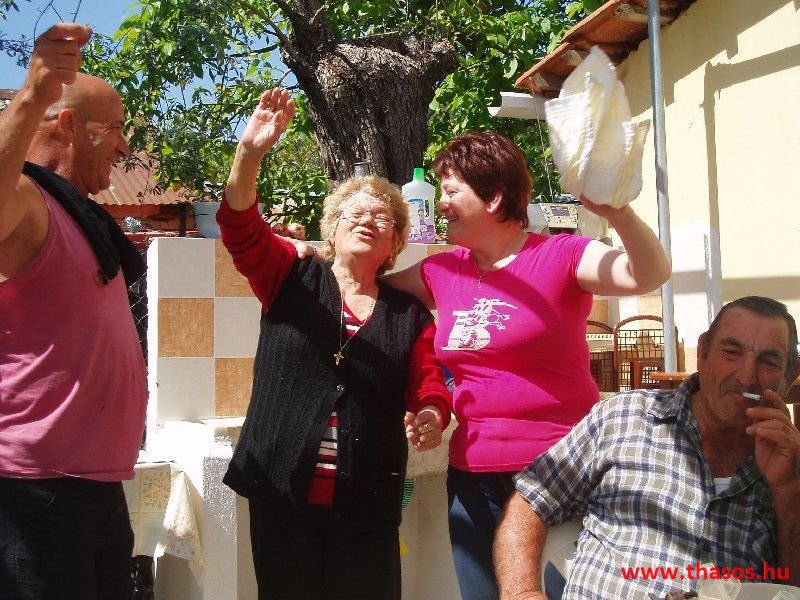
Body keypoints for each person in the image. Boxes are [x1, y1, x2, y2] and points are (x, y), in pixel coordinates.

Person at [376, 131, 671, 599]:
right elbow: (368, 287)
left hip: (561, 473)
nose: (441, 204)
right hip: (473, 479)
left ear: (494, 198)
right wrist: (314, 257)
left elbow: (648, 274)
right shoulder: (442, 270)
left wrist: (618, 213)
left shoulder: (562, 255)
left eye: (450, 191)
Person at [217, 88, 451, 600]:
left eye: (383, 218)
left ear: (396, 242)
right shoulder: (291, 275)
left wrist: (432, 412)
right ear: (333, 226)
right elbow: (239, 228)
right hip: (281, 490)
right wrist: (250, 153)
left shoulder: (408, 313)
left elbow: (427, 380)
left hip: (367, 497)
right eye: (355, 212)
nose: (367, 220)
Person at [495, 296, 800, 599]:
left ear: (789, 376)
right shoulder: (625, 417)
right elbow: (531, 500)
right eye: (731, 352)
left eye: (769, 362)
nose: (746, 376)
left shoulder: (790, 463)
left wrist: (787, 489)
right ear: (703, 352)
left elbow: (792, 586)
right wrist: (522, 593)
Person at [0, 23, 147, 599]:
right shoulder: (27, 201)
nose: (124, 148)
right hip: (34, 491)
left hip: (96, 487)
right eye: (113, 130)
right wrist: (32, 92)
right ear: (66, 125)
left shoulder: (78, 213)